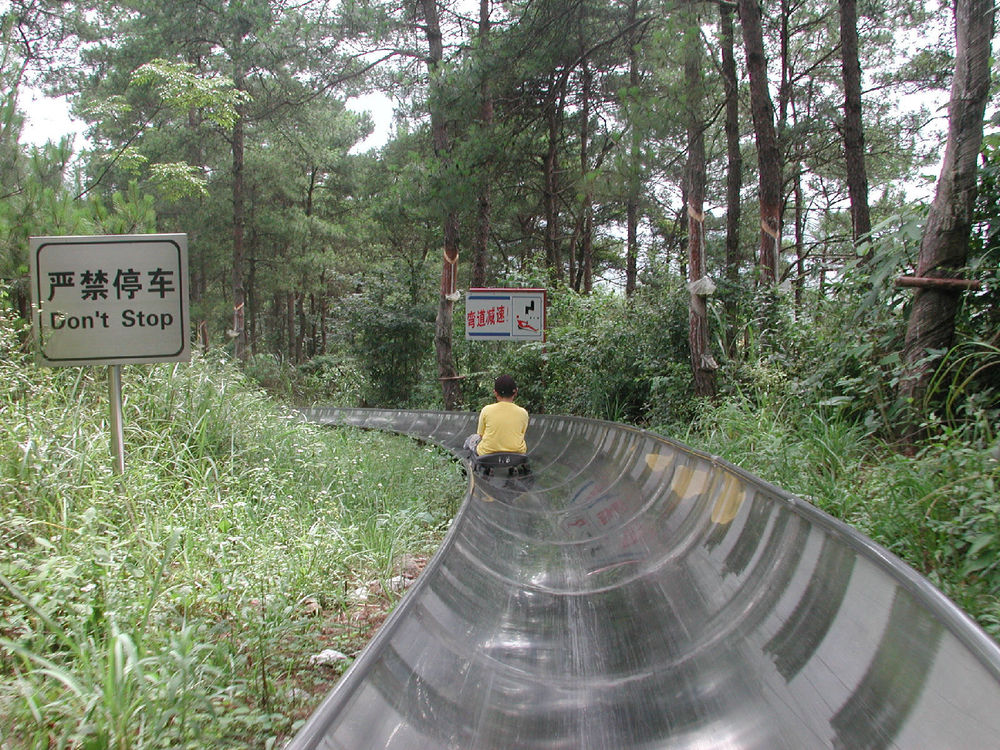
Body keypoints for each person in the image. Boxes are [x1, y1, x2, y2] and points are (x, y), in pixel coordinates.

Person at [474, 374, 529, 456]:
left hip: (487, 452)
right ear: (516, 392)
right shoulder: (523, 413)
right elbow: (521, 434)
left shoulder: (486, 410)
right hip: (517, 452)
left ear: (495, 393)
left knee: (472, 440)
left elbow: (481, 434)